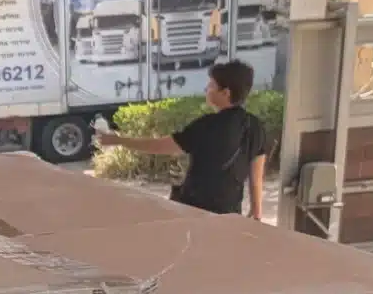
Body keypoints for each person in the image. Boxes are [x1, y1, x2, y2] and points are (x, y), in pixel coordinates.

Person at [96, 59, 267, 219]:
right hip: (229, 213)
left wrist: (119, 140)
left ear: (225, 93)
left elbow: (161, 146)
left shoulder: (207, 125)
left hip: (195, 210)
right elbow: (256, 177)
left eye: (211, 85)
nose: (206, 89)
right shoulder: (255, 126)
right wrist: (256, 212)